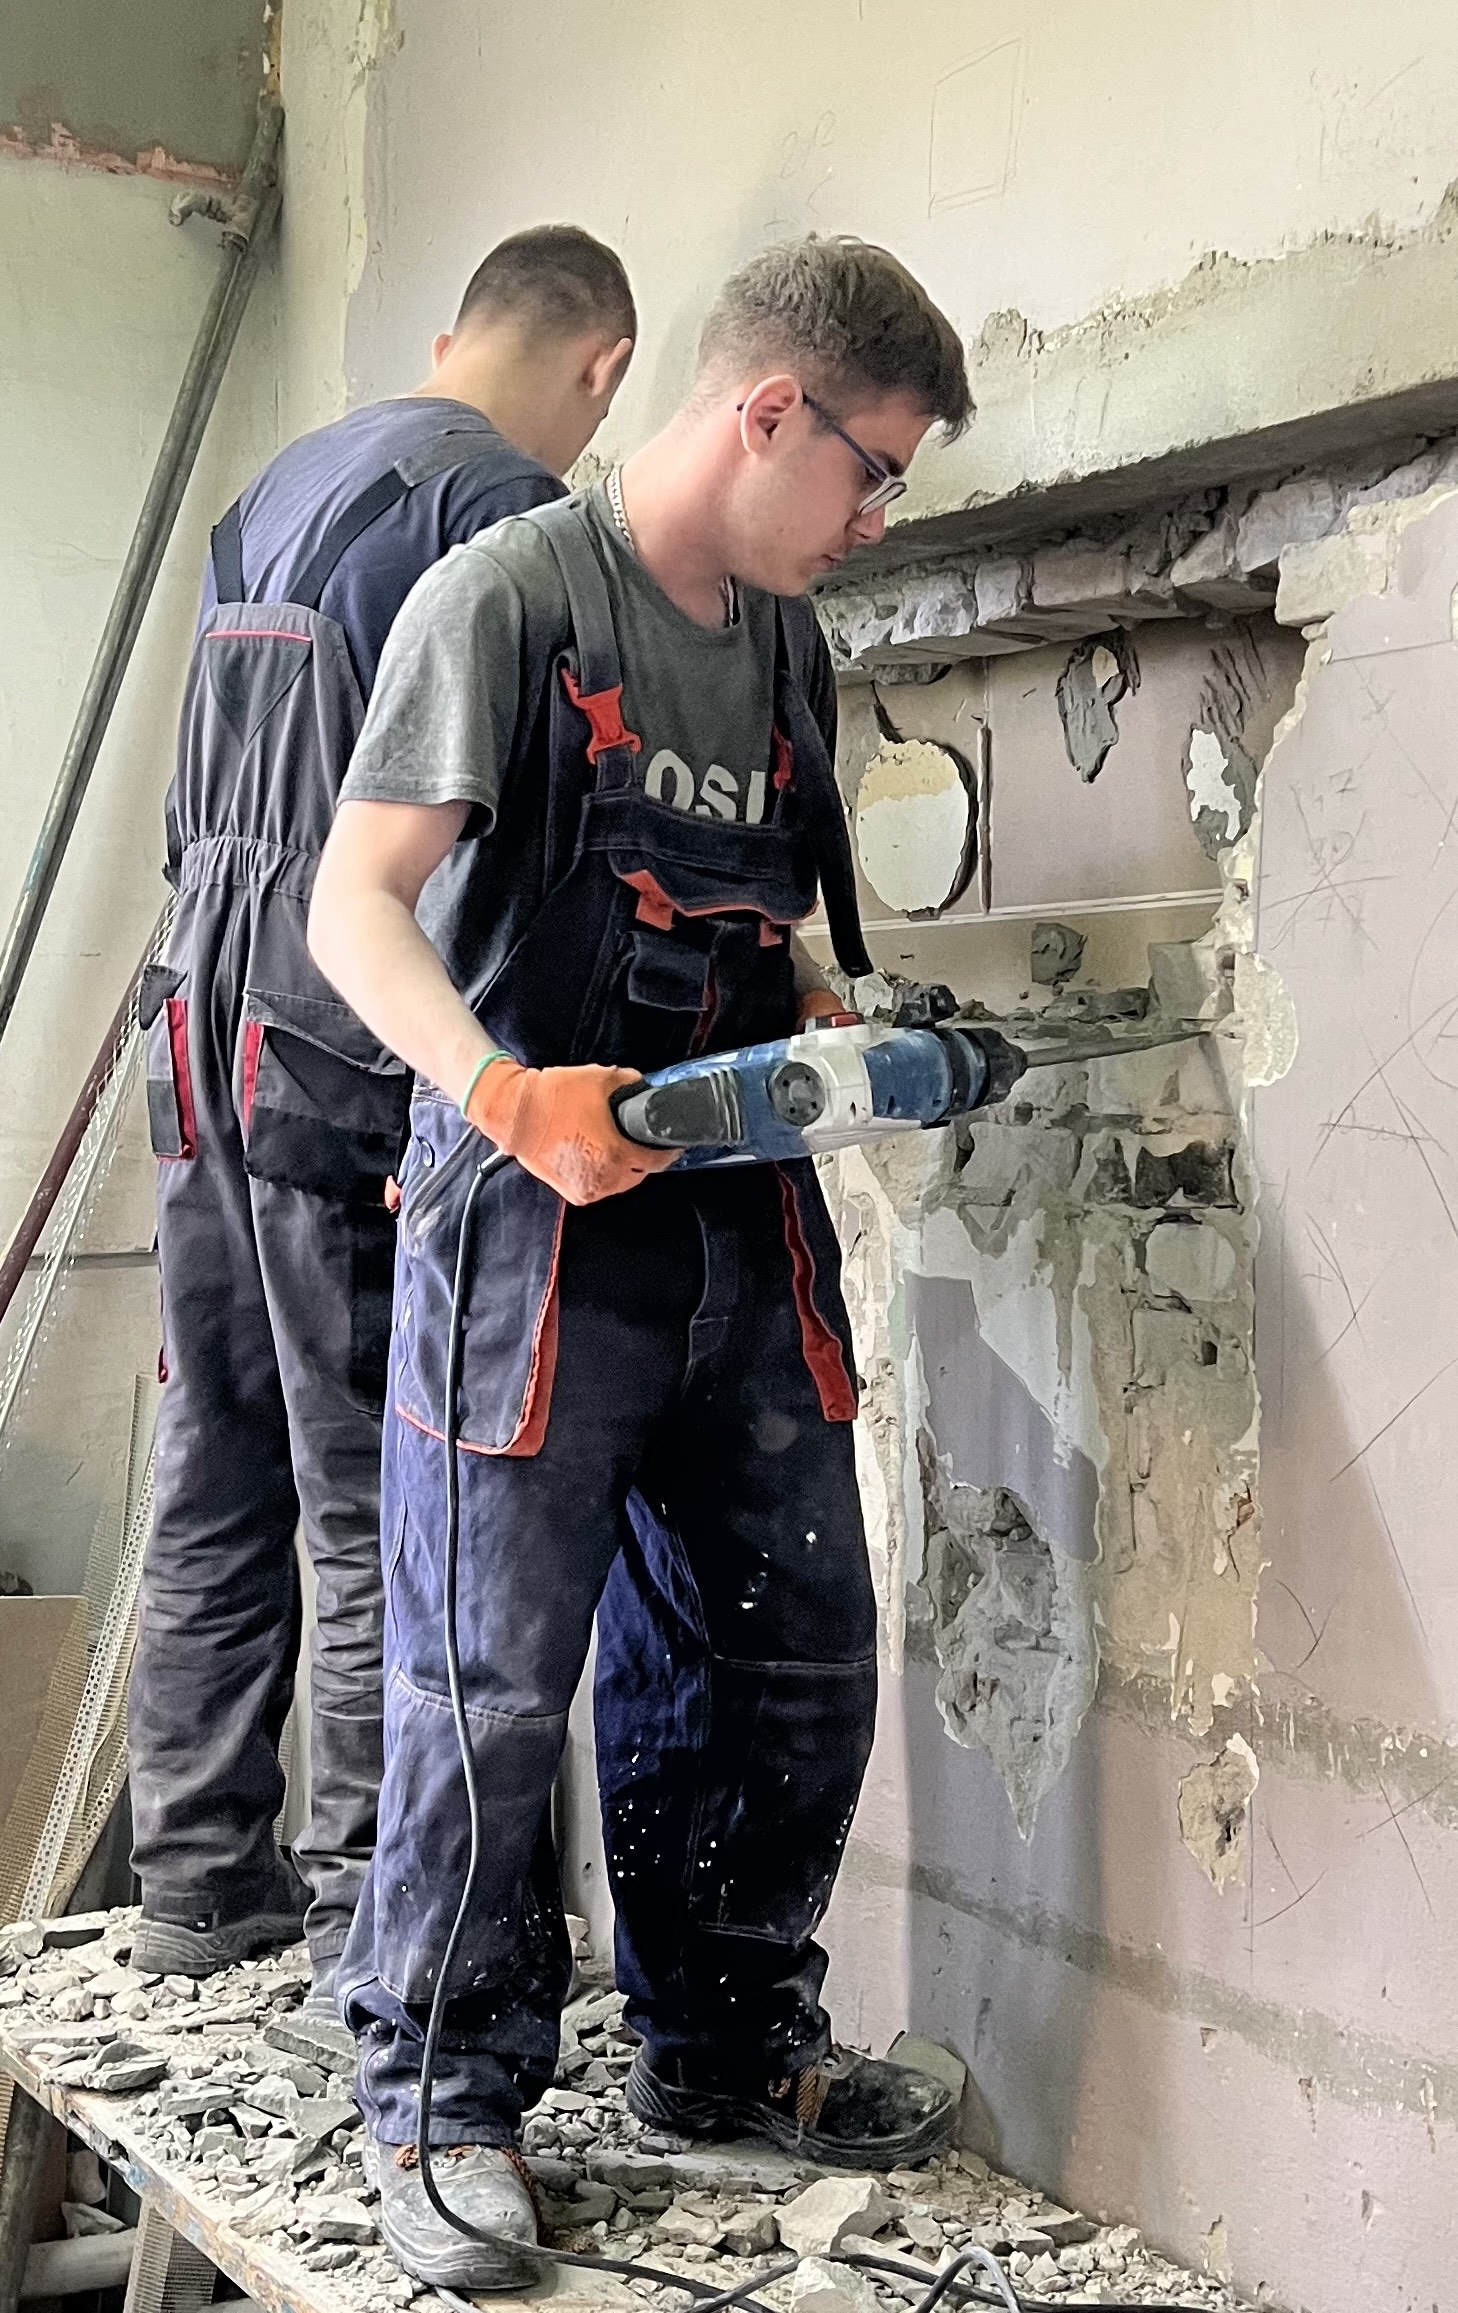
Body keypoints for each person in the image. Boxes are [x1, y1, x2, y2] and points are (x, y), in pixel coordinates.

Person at [307, 233, 973, 2289]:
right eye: (872, 471)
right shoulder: (513, 597)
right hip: (532, 1229)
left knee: (785, 1648)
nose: (875, 519)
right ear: (768, 411)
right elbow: (353, 905)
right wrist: (509, 1098)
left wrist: (841, 1020)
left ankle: (726, 2044)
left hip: (737, 1224)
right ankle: (440, 2099)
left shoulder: (784, 649)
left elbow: (765, 923)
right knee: (488, 1686)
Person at [128, 228, 637, 2013]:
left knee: (216, 1462)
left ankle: (197, 1878)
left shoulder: (279, 482)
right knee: (381, 1495)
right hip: (338, 1044)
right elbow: (496, 848)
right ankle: (374, 1906)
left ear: (449, 333)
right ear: (602, 366)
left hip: (193, 1025)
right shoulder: (501, 517)